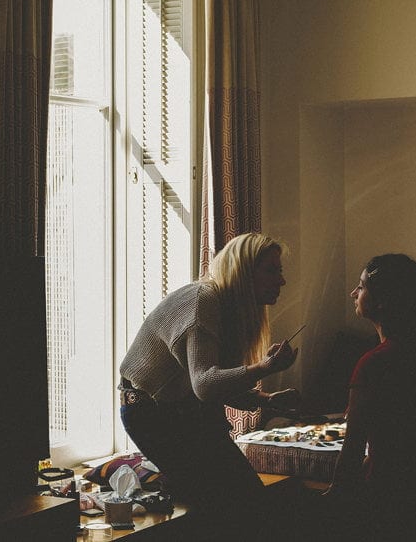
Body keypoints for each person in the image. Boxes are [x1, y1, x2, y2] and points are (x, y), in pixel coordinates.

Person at [119, 232, 301, 541]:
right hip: (152, 414)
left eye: (279, 270)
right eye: (272, 270)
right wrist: (264, 367)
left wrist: (266, 400)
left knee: (244, 501)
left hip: (187, 412)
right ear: (245, 272)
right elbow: (204, 384)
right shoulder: (202, 301)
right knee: (230, 503)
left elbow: (215, 386)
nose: (281, 280)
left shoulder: (231, 309)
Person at [324, 254, 416, 539]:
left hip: (390, 500)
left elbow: (353, 447)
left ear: (383, 301)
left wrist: (333, 499)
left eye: (361, 287)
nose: (353, 292)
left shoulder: (374, 363)